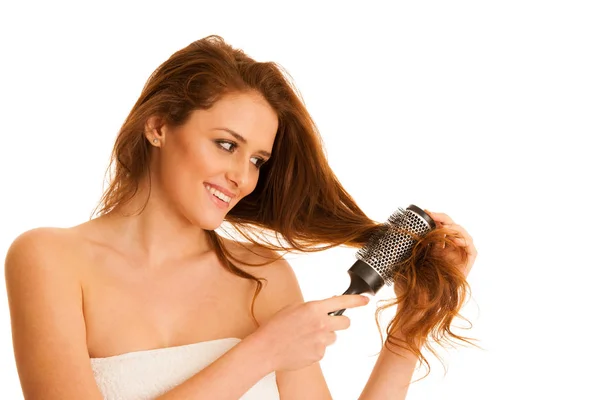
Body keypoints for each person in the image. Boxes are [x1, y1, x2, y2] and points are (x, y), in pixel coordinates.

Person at [4, 35, 477, 400]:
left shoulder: (263, 275)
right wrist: (263, 351)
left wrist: (409, 331)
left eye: (256, 160)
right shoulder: (51, 259)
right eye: (226, 145)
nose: (241, 177)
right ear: (158, 126)